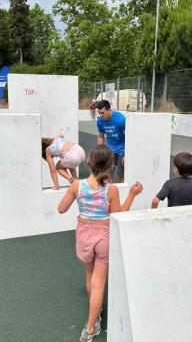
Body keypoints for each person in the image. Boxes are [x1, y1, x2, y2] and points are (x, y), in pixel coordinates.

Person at [58, 144, 143, 342]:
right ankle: (89, 328)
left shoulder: (77, 185)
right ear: (110, 167)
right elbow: (119, 215)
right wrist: (132, 194)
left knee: (90, 276)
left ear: (89, 162)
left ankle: (95, 315)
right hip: (104, 235)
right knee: (98, 284)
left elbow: (61, 208)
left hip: (84, 234)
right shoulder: (111, 190)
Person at [95, 100, 126, 183]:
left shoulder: (121, 120)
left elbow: (129, 137)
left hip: (122, 150)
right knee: (107, 174)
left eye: (102, 112)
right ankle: (109, 194)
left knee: (121, 174)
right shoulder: (100, 121)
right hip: (110, 150)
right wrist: (100, 152)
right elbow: (101, 136)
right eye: (99, 113)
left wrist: (127, 154)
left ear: (109, 110)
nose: (100, 115)